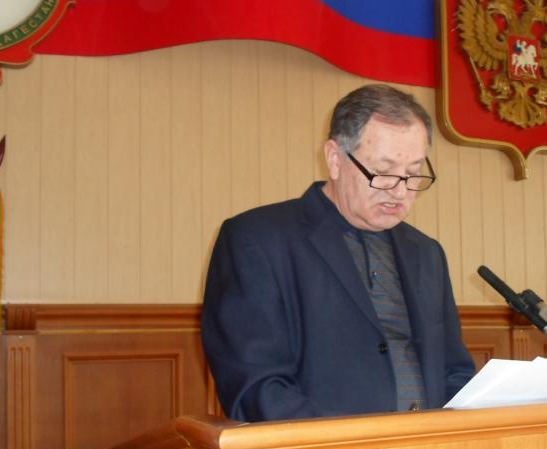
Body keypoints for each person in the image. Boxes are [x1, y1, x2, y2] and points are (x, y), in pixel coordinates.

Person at [202, 84, 475, 422]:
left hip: (429, 448)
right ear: (334, 159)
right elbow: (256, 390)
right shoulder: (257, 240)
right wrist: (358, 441)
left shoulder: (427, 253)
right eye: (383, 172)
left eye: (413, 173)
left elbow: (453, 370)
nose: (400, 191)